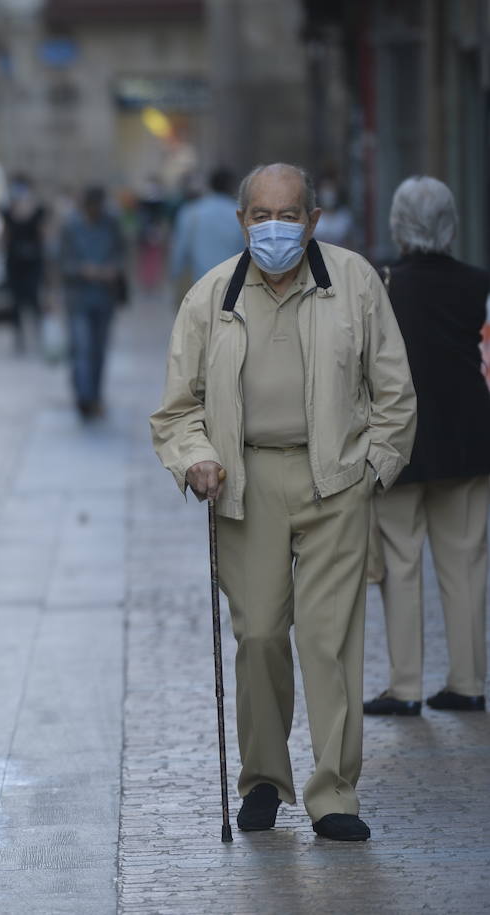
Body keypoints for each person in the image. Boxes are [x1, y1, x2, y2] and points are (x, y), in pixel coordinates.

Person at [151, 163, 416, 842]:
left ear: (314, 220)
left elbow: (395, 392)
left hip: (336, 480)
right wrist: (198, 459)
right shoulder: (210, 297)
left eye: (289, 214)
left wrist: (374, 472)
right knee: (262, 635)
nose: (275, 227)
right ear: (242, 222)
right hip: (246, 482)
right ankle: (264, 778)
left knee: (330, 641)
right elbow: (177, 410)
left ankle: (334, 793)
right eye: (262, 215)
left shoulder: (354, 281)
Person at [364, 176, 490, 716]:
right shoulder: (478, 282)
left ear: (398, 226)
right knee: (466, 563)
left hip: (400, 438)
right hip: (468, 437)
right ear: (451, 225)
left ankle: (406, 686)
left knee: (400, 563)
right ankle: (467, 682)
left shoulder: (380, 282)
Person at [59, 186, 126, 419]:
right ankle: (83, 397)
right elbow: (61, 262)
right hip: (78, 298)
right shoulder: (70, 226)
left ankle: (95, 396)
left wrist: (113, 270)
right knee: (81, 347)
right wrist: (83, 270)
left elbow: (122, 255)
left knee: (98, 350)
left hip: (104, 298)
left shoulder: (111, 224)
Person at [169, 167, 245, 289]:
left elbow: (180, 248)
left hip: (199, 283)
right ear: (232, 187)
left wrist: (175, 273)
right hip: (232, 284)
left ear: (210, 185)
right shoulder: (240, 215)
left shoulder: (191, 211)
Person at [2, 173, 48, 354]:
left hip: (33, 261)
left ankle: (37, 334)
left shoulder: (38, 210)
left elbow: (43, 235)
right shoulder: (7, 210)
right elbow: (5, 237)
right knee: (16, 301)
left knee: (33, 298)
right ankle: (19, 337)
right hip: (14, 262)